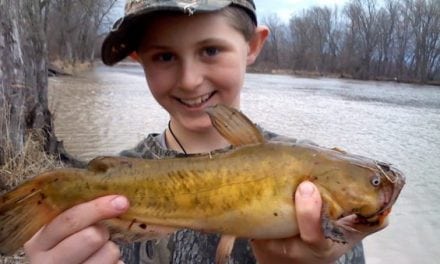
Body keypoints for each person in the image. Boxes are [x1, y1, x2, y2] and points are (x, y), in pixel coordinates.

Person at [23, 0, 387, 263]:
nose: (190, 80)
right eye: (164, 56)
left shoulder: (317, 188)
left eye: (211, 50)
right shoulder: (108, 191)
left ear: (254, 45)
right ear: (139, 60)